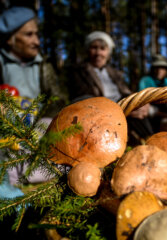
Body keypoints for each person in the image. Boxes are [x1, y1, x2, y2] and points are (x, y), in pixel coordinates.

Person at [0, 6, 66, 197]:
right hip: (9, 133)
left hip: (40, 128)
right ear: (10, 38)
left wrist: (40, 128)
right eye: (29, 35)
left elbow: (57, 99)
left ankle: (28, 173)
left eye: (36, 34)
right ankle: (15, 178)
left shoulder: (42, 65)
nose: (36, 41)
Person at [68, 31, 153, 143]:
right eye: (94, 47)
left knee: (140, 109)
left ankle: (150, 144)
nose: (98, 52)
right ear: (87, 50)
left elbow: (125, 92)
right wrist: (121, 109)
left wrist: (139, 102)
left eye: (102, 48)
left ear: (108, 53)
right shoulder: (78, 71)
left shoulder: (115, 73)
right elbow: (82, 99)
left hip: (126, 111)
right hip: (99, 116)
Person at [138, 54, 167, 134]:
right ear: (153, 69)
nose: (160, 70)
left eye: (162, 68)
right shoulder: (145, 81)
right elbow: (140, 101)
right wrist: (159, 113)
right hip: (151, 114)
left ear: (166, 70)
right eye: (157, 67)